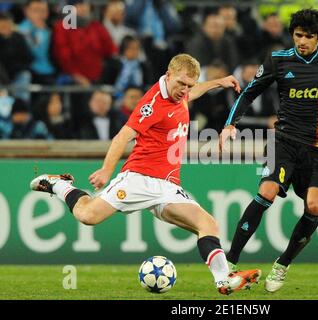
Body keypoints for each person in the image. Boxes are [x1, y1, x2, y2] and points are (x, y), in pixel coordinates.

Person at [30, 54, 261, 295]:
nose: (184, 90)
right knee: (88, 216)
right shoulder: (153, 103)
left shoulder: (180, 93)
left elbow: (191, 94)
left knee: (208, 224)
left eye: (189, 85)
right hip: (139, 178)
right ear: (168, 75)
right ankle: (59, 185)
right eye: (181, 83)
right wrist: (106, 170)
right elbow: (122, 136)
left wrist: (218, 82)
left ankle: (223, 279)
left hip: (168, 185)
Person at [219, 9, 318, 292]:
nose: (302, 41)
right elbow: (249, 92)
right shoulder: (278, 60)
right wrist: (229, 124)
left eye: (309, 36)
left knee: (315, 206)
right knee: (266, 192)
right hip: (282, 142)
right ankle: (229, 264)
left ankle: (282, 264)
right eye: (298, 35)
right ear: (292, 35)